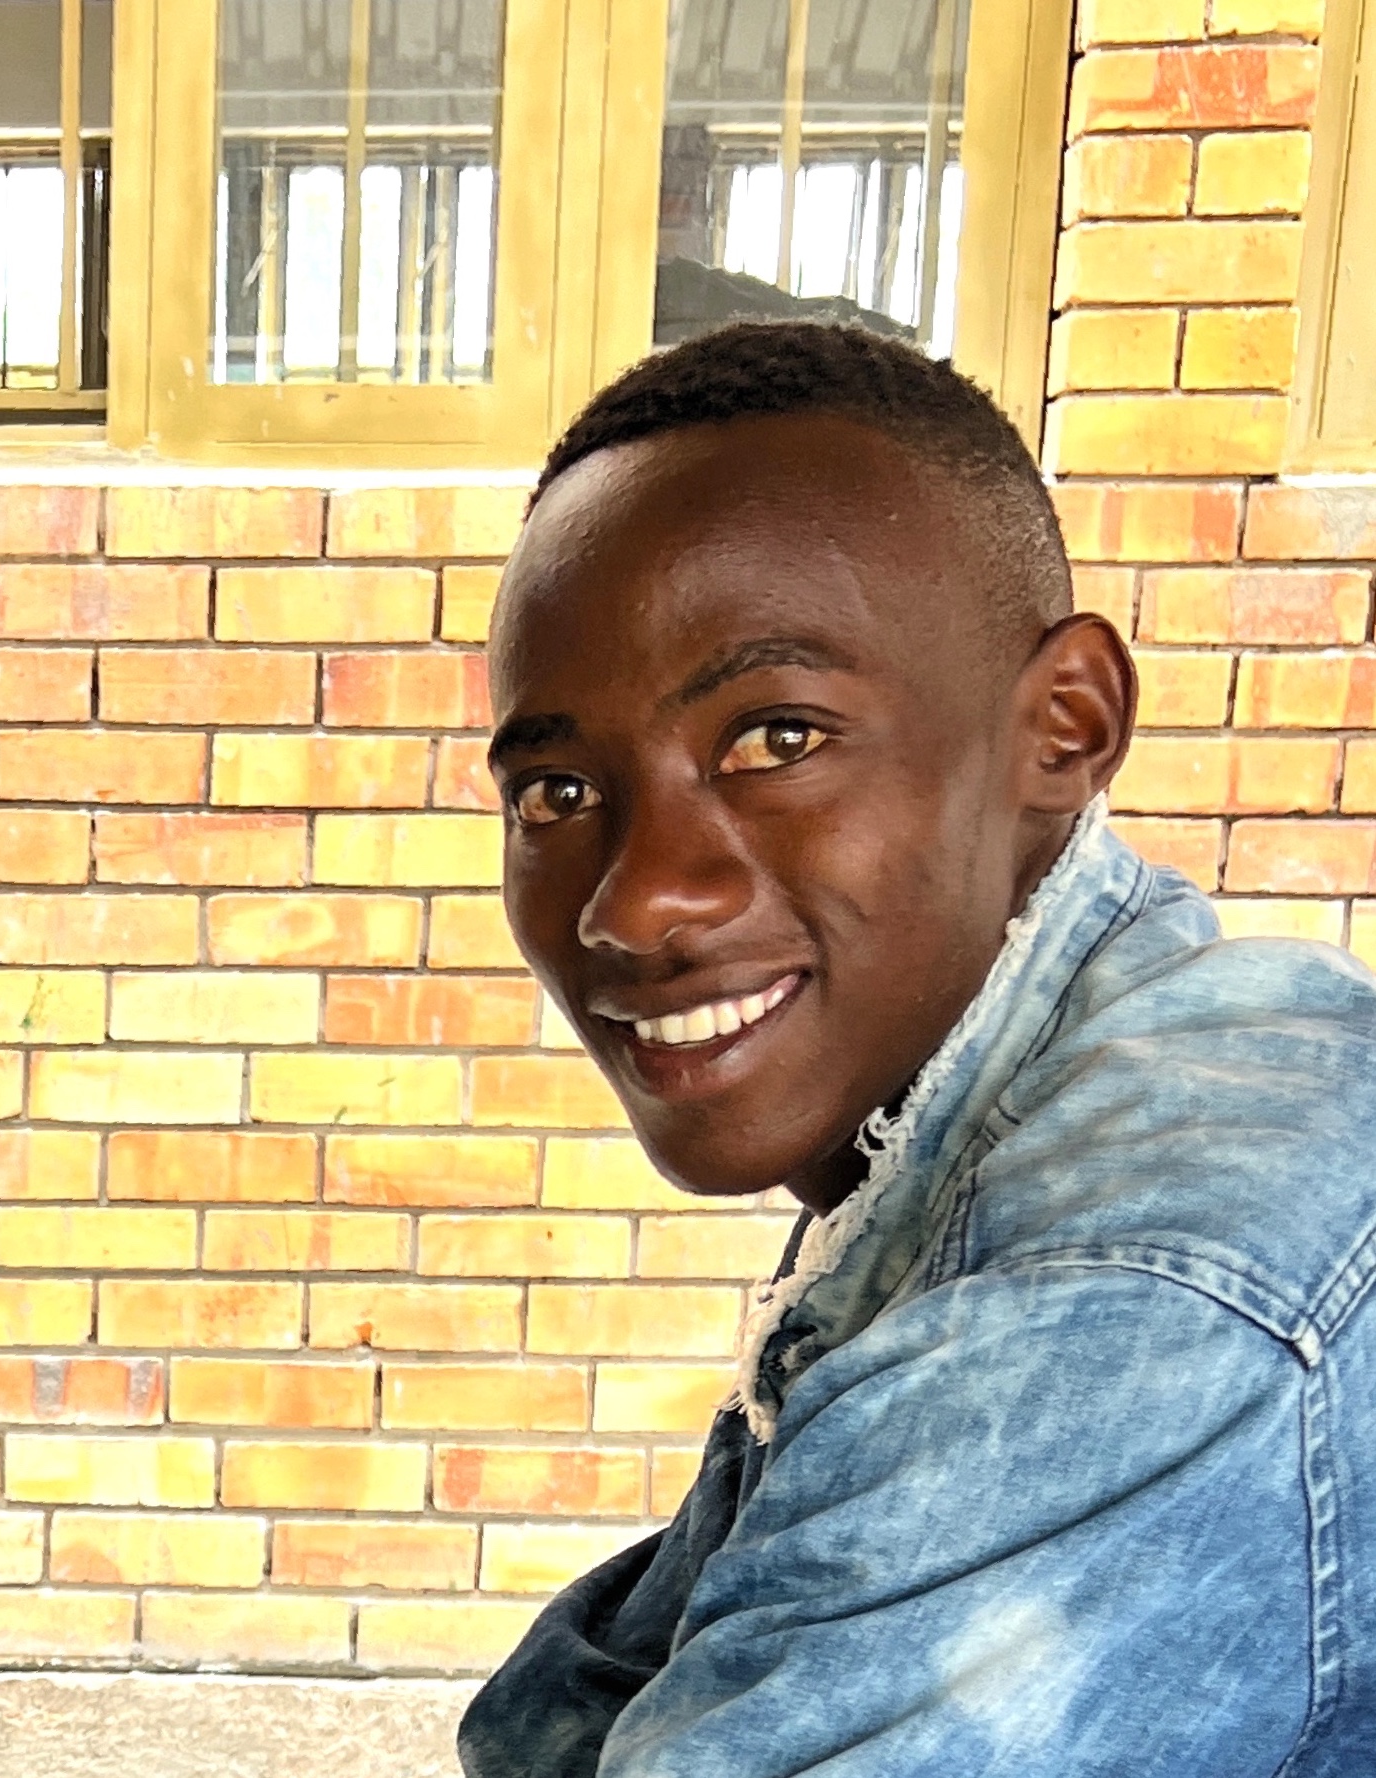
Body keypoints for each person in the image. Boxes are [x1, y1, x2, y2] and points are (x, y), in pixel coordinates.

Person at [456, 321, 1376, 1776]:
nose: (636, 903)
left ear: (1063, 728)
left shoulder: (1143, 1295)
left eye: (774, 739)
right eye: (559, 787)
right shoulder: (970, 1113)